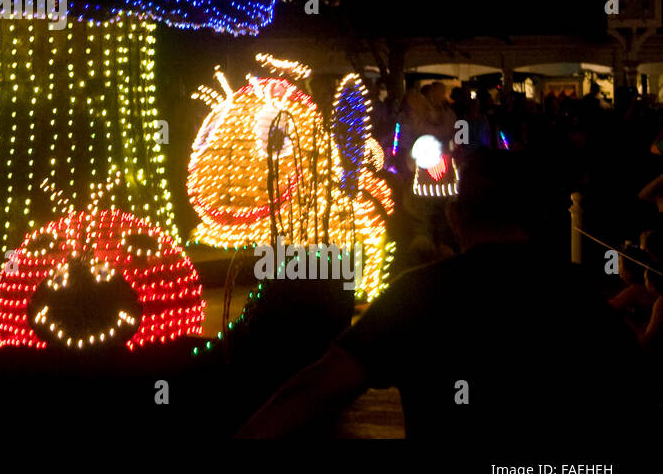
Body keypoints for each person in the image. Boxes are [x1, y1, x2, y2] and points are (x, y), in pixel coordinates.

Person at [236, 149, 653, 439]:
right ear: (537, 216)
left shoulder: (419, 292)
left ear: (455, 215)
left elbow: (318, 387)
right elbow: (631, 390)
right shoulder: (573, 289)